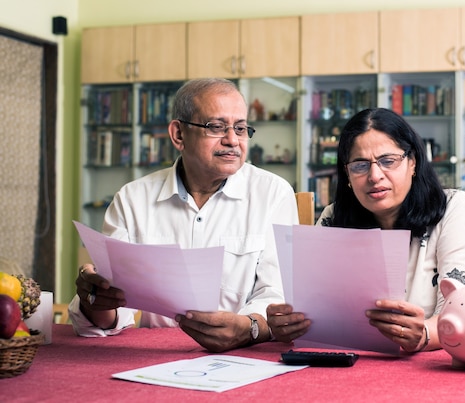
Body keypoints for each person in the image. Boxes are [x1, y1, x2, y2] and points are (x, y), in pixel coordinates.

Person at [69, 78, 299, 353]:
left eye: (240, 128)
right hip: (150, 358)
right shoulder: (132, 200)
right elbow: (112, 317)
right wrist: (94, 300)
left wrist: (247, 327)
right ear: (179, 134)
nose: (232, 141)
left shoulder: (273, 194)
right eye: (216, 127)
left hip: (244, 356)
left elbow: (278, 295)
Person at [267, 108, 465, 353]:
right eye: (360, 165)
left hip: (431, 368)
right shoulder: (333, 217)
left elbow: (461, 311)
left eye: (388, 161)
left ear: (412, 162)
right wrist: (289, 323)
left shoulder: (455, 209)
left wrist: (424, 334)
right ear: (347, 174)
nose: (375, 175)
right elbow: (314, 311)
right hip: (347, 365)